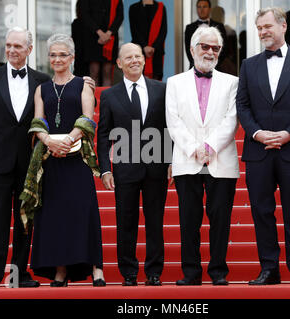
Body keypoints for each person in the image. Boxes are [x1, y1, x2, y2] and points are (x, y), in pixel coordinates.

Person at [236, 7, 290, 286]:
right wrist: (258, 133)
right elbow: (243, 105)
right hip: (259, 149)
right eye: (259, 28)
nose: (262, 32)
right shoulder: (248, 65)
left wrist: (288, 134)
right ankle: (269, 269)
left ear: (283, 26)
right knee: (261, 210)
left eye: (267, 26)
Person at [0, 27, 51, 289]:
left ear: (29, 49)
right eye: (8, 46)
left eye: (18, 46)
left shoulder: (41, 79)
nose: (12, 50)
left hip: (29, 160)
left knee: (25, 218)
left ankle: (19, 274)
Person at [24, 33, 105, 287]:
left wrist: (67, 140)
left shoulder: (83, 84)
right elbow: (38, 122)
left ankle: (96, 268)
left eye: (62, 54)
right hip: (51, 160)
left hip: (77, 159)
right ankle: (60, 270)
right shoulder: (42, 89)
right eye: (53, 55)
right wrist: (49, 141)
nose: (57, 59)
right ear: (48, 58)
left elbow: (87, 119)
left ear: (72, 57)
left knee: (83, 212)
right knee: (56, 216)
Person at [166, 26, 239, 286]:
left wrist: (209, 147)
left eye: (215, 48)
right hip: (187, 160)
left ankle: (218, 272)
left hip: (222, 159)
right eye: (205, 46)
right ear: (192, 48)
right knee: (189, 220)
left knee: (221, 220)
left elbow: (232, 120)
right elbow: (173, 121)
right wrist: (193, 148)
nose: (209, 52)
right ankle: (191, 273)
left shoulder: (233, 82)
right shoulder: (174, 83)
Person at [97, 43, 170, 286]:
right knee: (125, 222)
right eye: (128, 57)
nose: (134, 60)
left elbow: (169, 128)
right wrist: (105, 168)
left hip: (156, 165)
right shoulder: (109, 95)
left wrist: (171, 161)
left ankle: (154, 272)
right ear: (119, 63)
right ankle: (128, 272)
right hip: (125, 167)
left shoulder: (162, 89)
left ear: (144, 60)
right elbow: (104, 134)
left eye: (137, 56)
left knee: (154, 221)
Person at [77, 0, 124, 86]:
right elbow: (84, 14)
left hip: (110, 37)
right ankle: (93, 99)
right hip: (92, 36)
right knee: (94, 71)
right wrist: (99, 33)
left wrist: (108, 33)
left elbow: (120, 16)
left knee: (107, 72)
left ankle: (106, 99)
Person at [129, 0, 167, 81]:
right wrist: (144, 47)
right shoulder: (133, 8)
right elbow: (134, 31)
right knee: (139, 80)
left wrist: (153, 47)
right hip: (139, 51)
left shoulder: (161, 7)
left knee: (156, 81)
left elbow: (163, 31)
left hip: (156, 51)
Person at [184, 0, 227, 70]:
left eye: (204, 7)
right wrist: (198, 65)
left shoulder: (219, 26)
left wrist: (213, 63)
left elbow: (224, 49)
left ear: (210, 9)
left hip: (216, 68)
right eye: (199, 7)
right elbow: (189, 50)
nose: (201, 10)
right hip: (195, 69)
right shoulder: (189, 28)